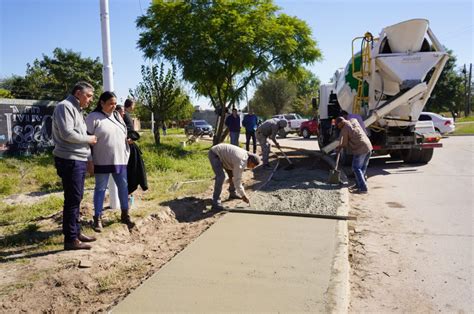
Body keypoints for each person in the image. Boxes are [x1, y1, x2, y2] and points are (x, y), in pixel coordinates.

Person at [52, 81, 98, 250]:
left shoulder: (77, 110)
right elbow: (67, 134)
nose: (90, 100)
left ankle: (76, 232)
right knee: (72, 199)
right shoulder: (65, 107)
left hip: (77, 158)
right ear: (78, 93)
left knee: (77, 198)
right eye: (88, 96)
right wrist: (89, 139)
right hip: (69, 159)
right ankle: (71, 240)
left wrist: (88, 158)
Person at [85, 91, 135, 232]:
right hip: (101, 160)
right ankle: (97, 218)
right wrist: (89, 160)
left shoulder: (118, 116)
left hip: (120, 159)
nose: (114, 106)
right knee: (100, 189)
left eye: (115, 103)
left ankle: (125, 214)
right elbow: (86, 142)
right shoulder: (93, 118)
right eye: (110, 103)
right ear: (102, 103)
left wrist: (128, 140)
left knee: (123, 187)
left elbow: (122, 134)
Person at [208, 143, 261, 211]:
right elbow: (237, 180)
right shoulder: (241, 162)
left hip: (226, 157)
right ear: (250, 161)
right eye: (253, 165)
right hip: (215, 154)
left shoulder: (246, 157)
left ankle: (232, 193)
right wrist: (243, 195)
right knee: (221, 177)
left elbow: (234, 177)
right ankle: (215, 202)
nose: (252, 168)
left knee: (232, 176)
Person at [335, 116, 373, 194]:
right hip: (368, 146)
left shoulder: (344, 129)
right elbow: (354, 120)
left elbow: (344, 144)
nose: (338, 127)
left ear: (341, 123)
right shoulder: (353, 121)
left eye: (338, 125)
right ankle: (358, 185)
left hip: (360, 149)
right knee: (362, 169)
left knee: (356, 168)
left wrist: (339, 147)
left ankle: (363, 188)